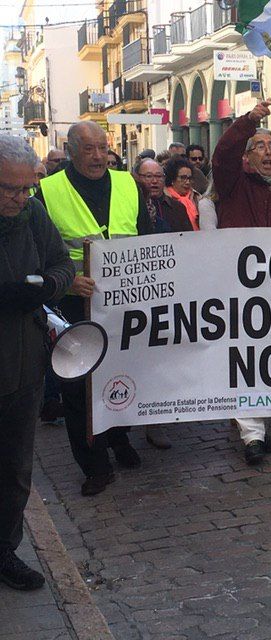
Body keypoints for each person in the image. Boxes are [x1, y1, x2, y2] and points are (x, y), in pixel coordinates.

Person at [35, 121, 151, 496]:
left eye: (103, 147)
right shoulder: (47, 192)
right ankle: (94, 464)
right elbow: (36, 254)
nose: (99, 156)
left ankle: (119, 438)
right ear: (70, 151)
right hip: (73, 301)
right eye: (88, 149)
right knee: (79, 385)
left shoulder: (127, 183)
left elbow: (148, 239)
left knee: (124, 371)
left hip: (126, 300)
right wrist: (66, 280)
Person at [212, 99, 271, 464]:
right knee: (246, 355)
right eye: (259, 146)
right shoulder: (234, 181)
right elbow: (222, 155)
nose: (267, 152)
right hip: (242, 285)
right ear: (247, 156)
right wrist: (248, 123)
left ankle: (261, 425)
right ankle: (252, 434)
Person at [0, 135, 74, 591]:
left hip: (23, 367)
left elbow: (63, 264)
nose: (20, 197)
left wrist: (46, 287)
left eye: (27, 188)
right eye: (10, 188)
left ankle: (5, 550)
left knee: (14, 469)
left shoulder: (33, 216)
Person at [133, 158, 196, 450]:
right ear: (137, 177)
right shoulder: (131, 205)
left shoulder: (176, 208)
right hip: (139, 293)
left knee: (165, 356)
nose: (154, 181)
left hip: (172, 291)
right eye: (148, 176)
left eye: (158, 176)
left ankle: (157, 419)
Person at [164, 157, 200, 231]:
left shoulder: (197, 198)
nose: (187, 182)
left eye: (189, 178)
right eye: (183, 178)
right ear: (172, 179)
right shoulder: (165, 199)